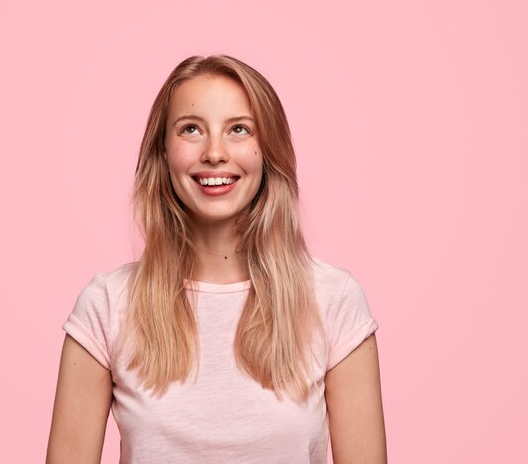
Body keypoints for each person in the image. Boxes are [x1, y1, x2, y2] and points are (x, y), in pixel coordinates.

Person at [46, 55, 387, 464]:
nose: (214, 153)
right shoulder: (105, 305)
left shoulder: (334, 301)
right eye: (191, 129)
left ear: (268, 151)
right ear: (164, 152)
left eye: (238, 129)